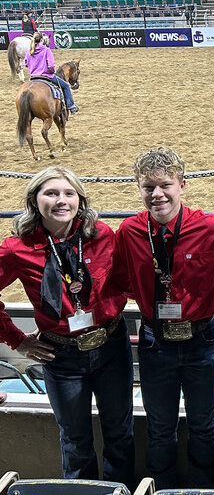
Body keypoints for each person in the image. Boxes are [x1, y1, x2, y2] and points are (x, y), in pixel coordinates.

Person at [108, 147, 214, 489]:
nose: (157, 194)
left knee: (203, 425)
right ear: (138, 188)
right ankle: (161, 487)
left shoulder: (212, 228)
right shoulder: (128, 232)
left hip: (201, 338)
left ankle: (203, 488)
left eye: (165, 185)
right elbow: (122, 279)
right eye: (148, 187)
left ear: (182, 185)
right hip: (155, 339)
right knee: (159, 428)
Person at [0, 165, 134, 486]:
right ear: (35, 201)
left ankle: (120, 491)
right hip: (60, 357)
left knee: (120, 433)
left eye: (69, 193)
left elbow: (127, 281)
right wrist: (18, 341)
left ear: (80, 200)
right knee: (74, 440)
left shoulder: (102, 236)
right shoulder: (17, 248)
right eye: (51, 193)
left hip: (111, 346)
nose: (61, 201)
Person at [24, 32, 79, 114]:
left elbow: (26, 64)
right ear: (42, 40)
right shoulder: (46, 50)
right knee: (66, 86)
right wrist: (51, 72)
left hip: (33, 78)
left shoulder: (29, 51)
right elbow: (51, 66)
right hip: (46, 76)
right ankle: (71, 106)